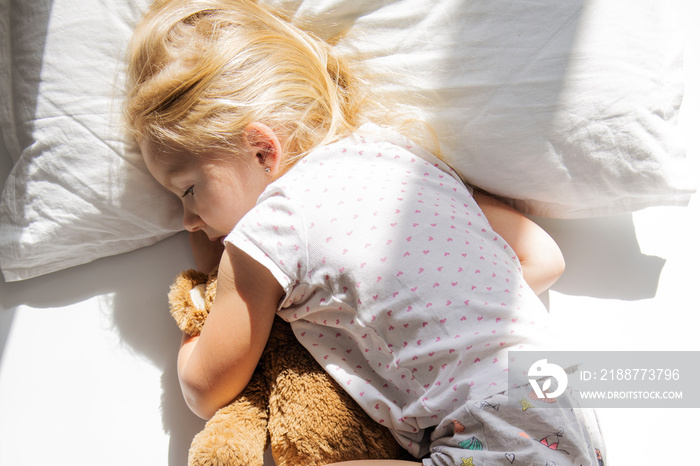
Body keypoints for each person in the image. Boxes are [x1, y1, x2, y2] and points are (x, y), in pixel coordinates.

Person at [125, 1, 605, 464]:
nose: (187, 219)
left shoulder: (270, 229)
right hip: (561, 404)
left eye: (188, 190)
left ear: (262, 151)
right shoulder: (401, 156)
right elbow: (544, 258)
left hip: (487, 429)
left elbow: (206, 388)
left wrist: (200, 315)